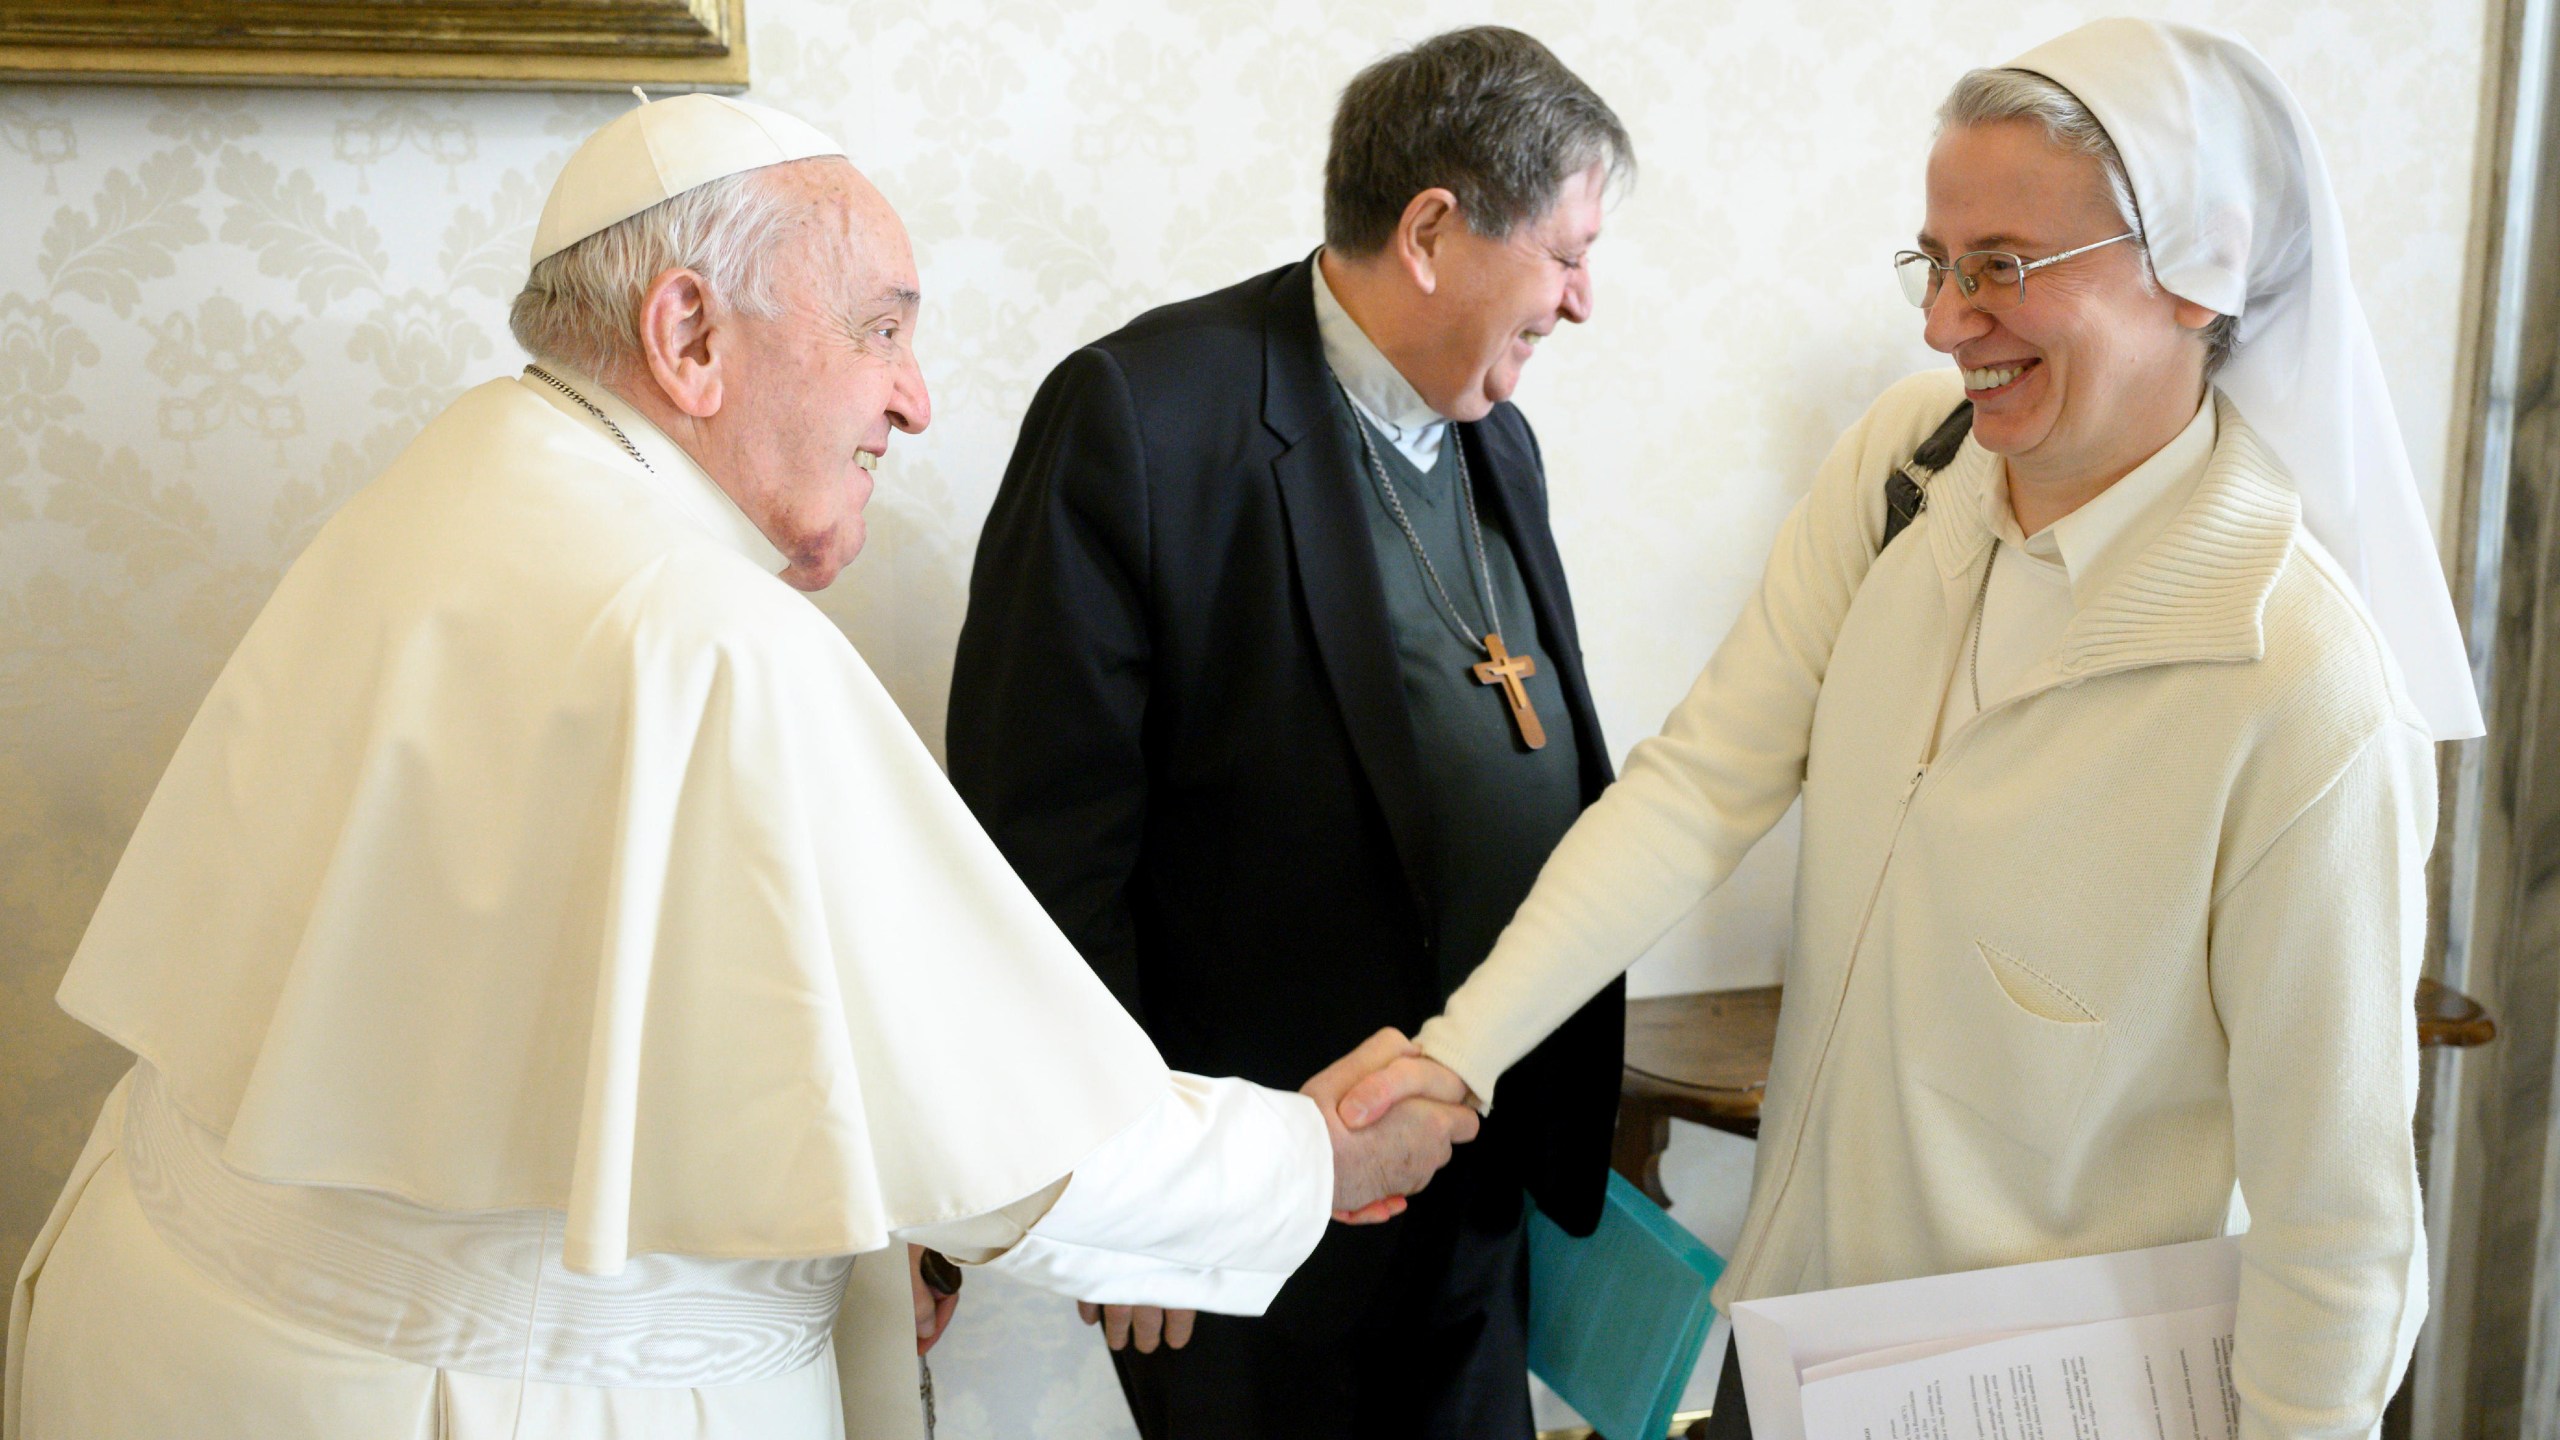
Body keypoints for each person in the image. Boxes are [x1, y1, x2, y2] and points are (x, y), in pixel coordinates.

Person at [2, 93, 1482, 1440]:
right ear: (689, 338)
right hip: (476, 1392)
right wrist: (1311, 1160)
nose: (916, 400)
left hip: (175, 1323)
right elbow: (1012, 1141)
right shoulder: (700, 630)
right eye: (883, 329)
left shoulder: (473, 465)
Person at [1334, 18, 2484, 1440]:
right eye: (1936, 265)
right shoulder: (1906, 463)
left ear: (2204, 272)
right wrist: (1458, 1050)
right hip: (1801, 1358)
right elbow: (1698, 789)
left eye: (2003, 267)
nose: (1945, 323)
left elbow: (2341, 1226)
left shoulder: (2299, 686)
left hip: (2064, 1407)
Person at [945, 26, 1632, 1440]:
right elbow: (1041, 856)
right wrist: (1141, 1204)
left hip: (1467, 1184)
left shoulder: (1499, 436)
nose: (1581, 303)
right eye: (1565, 256)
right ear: (1433, 231)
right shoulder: (1143, 417)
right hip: (1256, 1213)